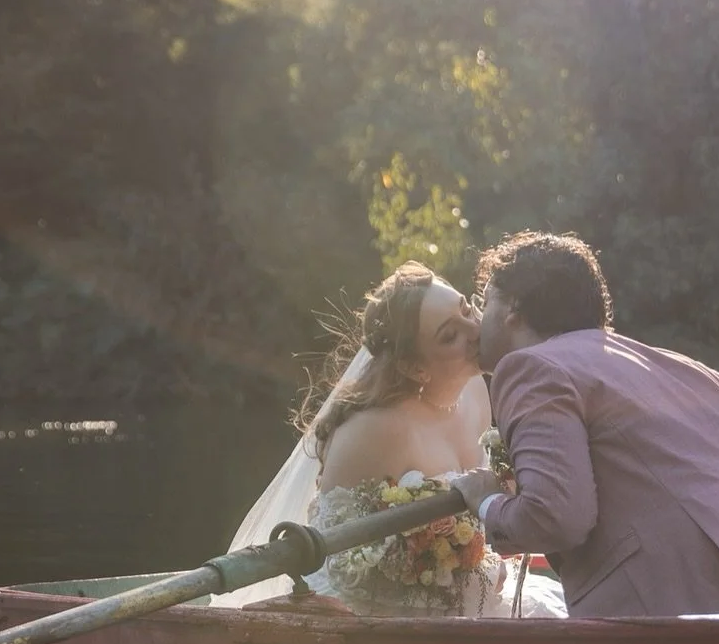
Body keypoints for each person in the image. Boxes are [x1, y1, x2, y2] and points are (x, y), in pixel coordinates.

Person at [452, 231, 719, 618]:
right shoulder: (685, 367)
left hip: (718, 618)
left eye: (485, 301)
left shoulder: (531, 368)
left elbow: (557, 517)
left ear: (513, 309)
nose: (478, 319)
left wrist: (487, 502)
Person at [226, 261, 564, 618]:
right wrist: (469, 578)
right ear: (414, 367)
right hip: (381, 623)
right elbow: (343, 569)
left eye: (467, 308)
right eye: (450, 335)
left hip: (470, 602)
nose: (476, 328)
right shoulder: (372, 432)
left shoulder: (476, 390)